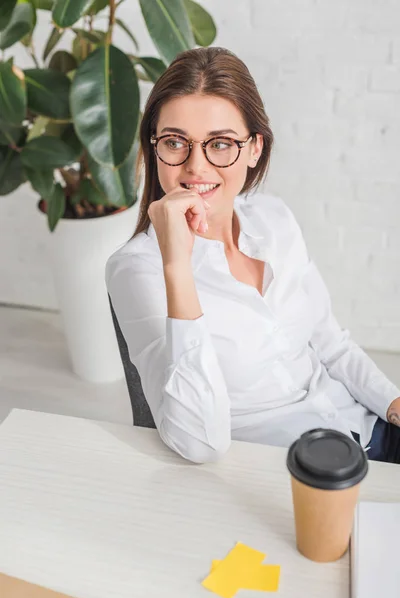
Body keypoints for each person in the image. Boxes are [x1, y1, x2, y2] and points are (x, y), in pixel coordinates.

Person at [106, 47, 400, 464]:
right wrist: (177, 267)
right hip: (284, 476)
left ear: (254, 148)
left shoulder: (274, 218)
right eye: (175, 142)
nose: (196, 167)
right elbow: (197, 442)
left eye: (221, 144)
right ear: (155, 148)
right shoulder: (137, 270)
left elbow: (331, 344)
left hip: (364, 429)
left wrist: (392, 402)